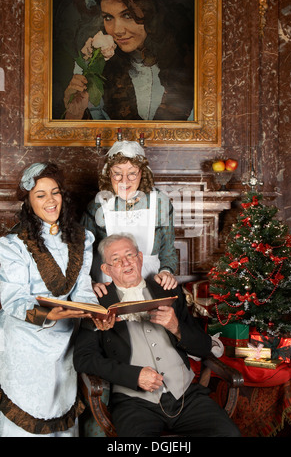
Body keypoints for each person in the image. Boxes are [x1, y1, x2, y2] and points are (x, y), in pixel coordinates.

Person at [73, 233, 241, 437]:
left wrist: (176, 327)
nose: (125, 262)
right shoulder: (97, 303)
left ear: (140, 258)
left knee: (229, 435)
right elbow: (84, 359)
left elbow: (204, 347)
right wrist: (134, 376)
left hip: (187, 396)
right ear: (106, 269)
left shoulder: (168, 290)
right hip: (134, 404)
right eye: (116, 259)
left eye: (130, 255)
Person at [0, 162, 100, 437]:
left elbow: (82, 290)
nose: (50, 200)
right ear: (28, 201)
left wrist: (97, 313)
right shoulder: (13, 244)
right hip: (25, 343)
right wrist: (47, 315)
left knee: (60, 416)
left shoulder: (81, 238)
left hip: (64, 341)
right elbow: (13, 301)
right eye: (40, 195)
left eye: (54, 192)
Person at [63, 0, 194, 121]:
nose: (117, 30)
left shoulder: (193, 63)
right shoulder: (92, 65)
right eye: (108, 17)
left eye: (128, 15)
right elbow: (82, 135)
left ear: (153, 14)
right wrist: (75, 113)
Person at [81, 139, 178, 295]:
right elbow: (82, 253)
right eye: (117, 173)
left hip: (151, 286)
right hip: (108, 289)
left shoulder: (160, 203)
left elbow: (168, 251)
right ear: (109, 173)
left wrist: (167, 271)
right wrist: (89, 283)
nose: (124, 181)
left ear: (142, 173)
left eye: (132, 173)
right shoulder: (98, 205)